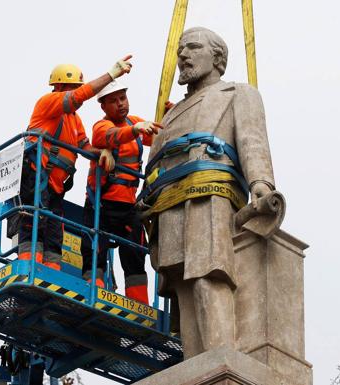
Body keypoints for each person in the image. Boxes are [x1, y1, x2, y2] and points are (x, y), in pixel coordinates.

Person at [140, 27, 275, 358]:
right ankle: (197, 363)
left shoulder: (237, 93)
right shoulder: (170, 114)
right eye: (180, 49)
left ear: (217, 58)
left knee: (207, 274)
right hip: (170, 202)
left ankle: (221, 355)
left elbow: (252, 139)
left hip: (210, 193)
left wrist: (261, 183)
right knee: (180, 283)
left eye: (193, 47)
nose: (183, 55)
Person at [17, 56, 133, 270]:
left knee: (54, 231)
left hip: (56, 186)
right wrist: (110, 76)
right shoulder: (47, 102)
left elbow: (85, 148)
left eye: (76, 87)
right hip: (37, 175)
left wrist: (102, 153)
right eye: (72, 88)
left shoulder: (74, 119)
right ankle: (28, 268)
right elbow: (78, 97)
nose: (76, 93)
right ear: (59, 86)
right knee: (34, 222)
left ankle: (50, 273)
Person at [81, 80, 162, 304]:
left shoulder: (133, 123)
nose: (120, 104)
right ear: (104, 107)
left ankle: (139, 305)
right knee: (94, 251)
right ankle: (93, 295)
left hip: (128, 206)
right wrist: (135, 129)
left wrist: (172, 116)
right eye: (113, 101)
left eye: (122, 98)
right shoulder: (102, 126)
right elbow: (109, 137)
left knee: (135, 254)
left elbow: (159, 135)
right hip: (102, 205)